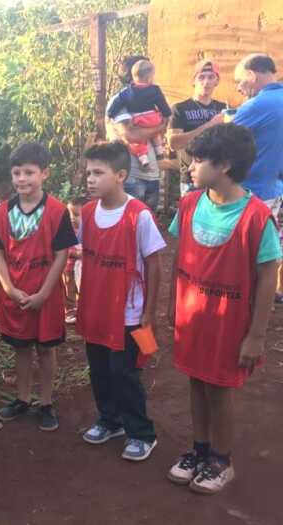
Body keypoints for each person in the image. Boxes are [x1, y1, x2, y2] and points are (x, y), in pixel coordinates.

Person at [167, 123, 280, 494]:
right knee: (196, 383)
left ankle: (221, 460)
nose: (190, 167)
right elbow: (177, 258)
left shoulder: (256, 217)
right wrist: (173, 304)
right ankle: (199, 450)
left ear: (225, 165)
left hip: (228, 325)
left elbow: (268, 276)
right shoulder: (188, 205)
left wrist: (256, 336)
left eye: (198, 161)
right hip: (192, 316)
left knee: (219, 391)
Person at [76, 141, 165, 462]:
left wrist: (148, 313)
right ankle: (109, 421)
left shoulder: (137, 216)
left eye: (98, 173)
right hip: (96, 310)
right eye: (88, 173)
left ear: (121, 175)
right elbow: (82, 257)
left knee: (124, 373)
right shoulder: (87, 213)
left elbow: (154, 264)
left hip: (127, 314)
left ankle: (141, 432)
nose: (90, 179)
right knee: (98, 370)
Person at [0, 142, 78, 431]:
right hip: (15, 295)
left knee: (46, 350)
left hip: (46, 296)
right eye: (16, 173)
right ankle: (22, 399)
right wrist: (10, 289)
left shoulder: (57, 211)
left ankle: (46, 402)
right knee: (21, 349)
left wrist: (45, 293)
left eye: (29, 172)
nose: (22, 179)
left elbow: (62, 254)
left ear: (44, 173)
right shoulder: (1, 214)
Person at [230, 54, 283, 302]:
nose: (239, 88)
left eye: (240, 81)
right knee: (272, 250)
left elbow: (223, 142)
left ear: (252, 75)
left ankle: (249, 305)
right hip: (276, 189)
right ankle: (267, 298)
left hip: (252, 191)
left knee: (247, 252)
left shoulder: (256, 105)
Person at [107, 55, 165, 210]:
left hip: (151, 174)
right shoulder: (121, 101)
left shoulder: (147, 99)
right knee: (131, 224)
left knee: (148, 222)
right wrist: (160, 126)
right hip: (131, 176)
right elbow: (131, 135)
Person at [168, 59, 227, 196]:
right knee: (192, 217)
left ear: (217, 81)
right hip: (192, 178)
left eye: (211, 77)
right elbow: (173, 143)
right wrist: (209, 125)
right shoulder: (180, 109)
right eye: (201, 77)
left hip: (218, 178)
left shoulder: (223, 109)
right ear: (193, 81)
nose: (206, 82)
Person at [106, 59, 172, 169]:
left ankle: (146, 157)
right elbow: (131, 136)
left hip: (151, 175)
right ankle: (155, 152)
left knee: (142, 141)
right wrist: (162, 124)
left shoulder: (125, 95)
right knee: (140, 141)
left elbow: (112, 111)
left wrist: (110, 114)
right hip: (132, 174)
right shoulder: (122, 98)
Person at [63, 196, 86, 324]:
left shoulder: (87, 230)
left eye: (76, 215)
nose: (72, 218)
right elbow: (64, 248)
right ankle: (70, 311)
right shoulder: (67, 230)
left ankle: (81, 310)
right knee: (69, 289)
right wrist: (75, 253)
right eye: (69, 214)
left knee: (82, 288)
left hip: (83, 267)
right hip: (69, 267)